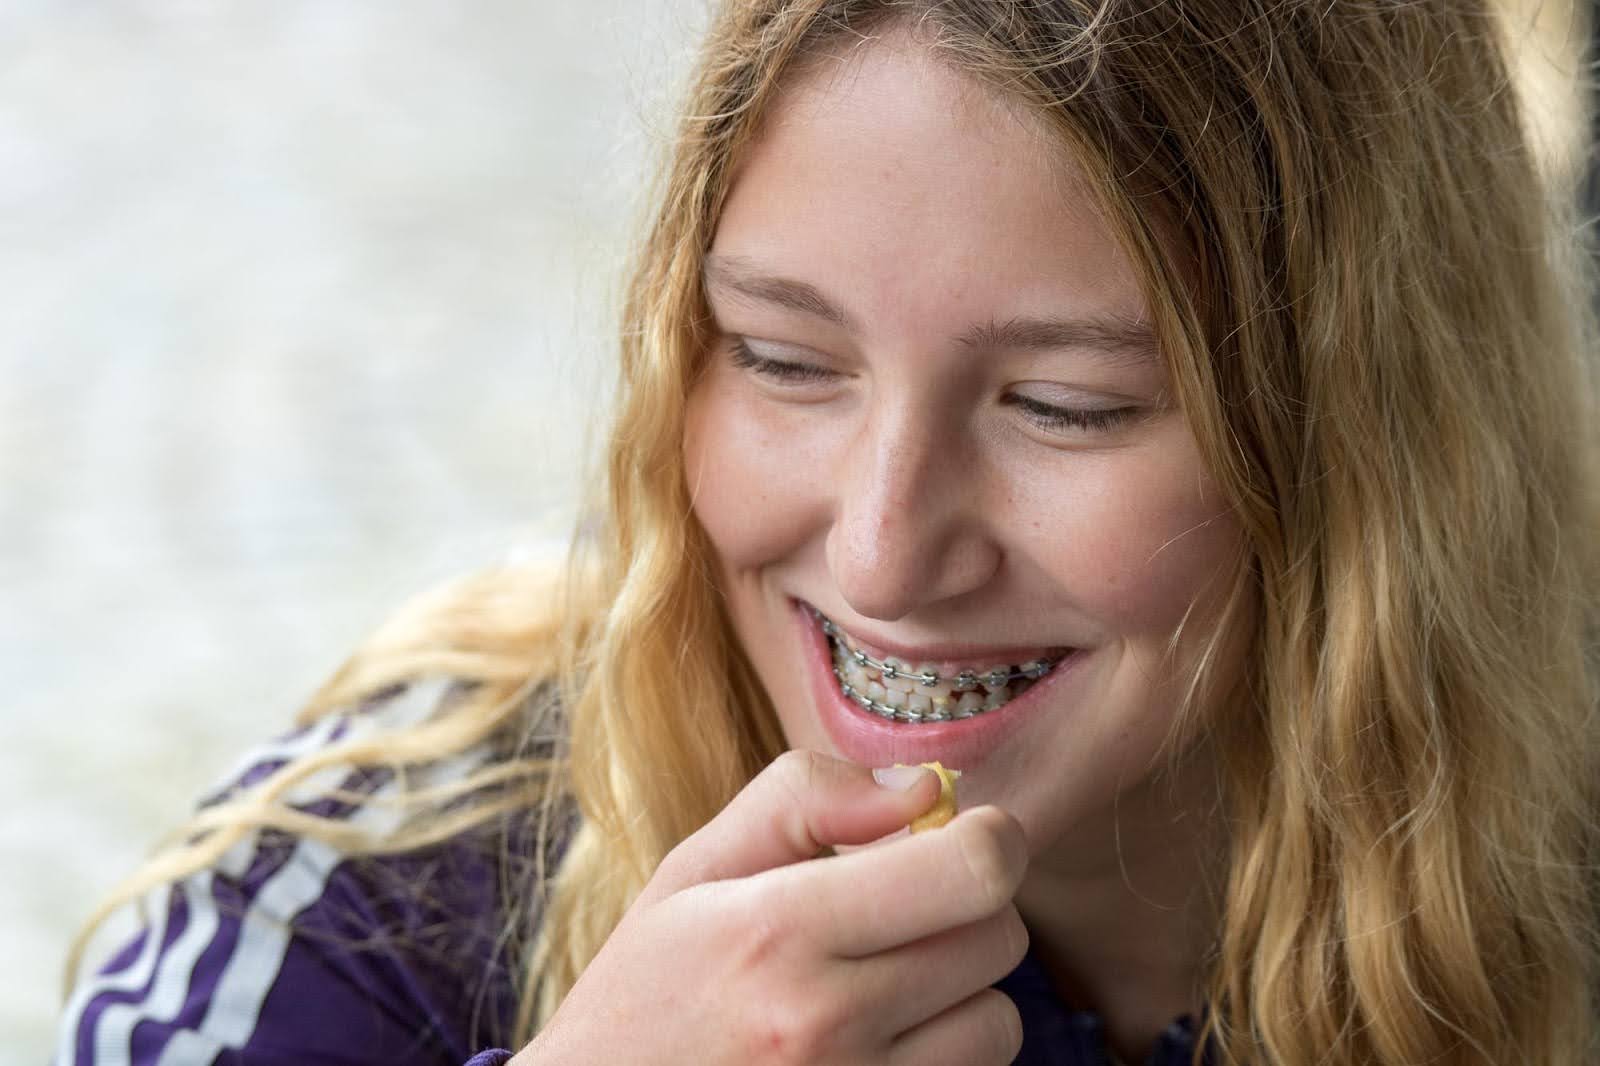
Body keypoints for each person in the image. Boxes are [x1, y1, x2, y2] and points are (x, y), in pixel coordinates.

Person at [55, 1, 1600, 1063]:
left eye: (1063, 404)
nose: (878, 556)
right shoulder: (374, 875)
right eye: (788, 362)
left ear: (1378, 439)